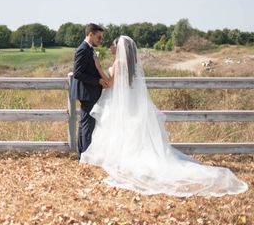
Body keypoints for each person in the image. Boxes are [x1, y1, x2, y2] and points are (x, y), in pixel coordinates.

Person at [80, 35, 249, 196]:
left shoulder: (118, 62)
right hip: (130, 103)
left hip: (119, 103)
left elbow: (110, 83)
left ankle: (122, 158)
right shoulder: (134, 64)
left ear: (119, 48)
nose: (110, 46)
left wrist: (98, 67)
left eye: (113, 44)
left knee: (120, 130)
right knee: (132, 131)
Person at [70, 23, 111, 158]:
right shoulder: (83, 49)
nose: (100, 40)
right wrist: (97, 81)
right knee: (88, 125)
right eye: (99, 37)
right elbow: (77, 73)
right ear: (91, 34)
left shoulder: (89, 48)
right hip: (87, 92)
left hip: (90, 91)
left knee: (84, 124)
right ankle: (86, 155)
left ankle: (82, 154)